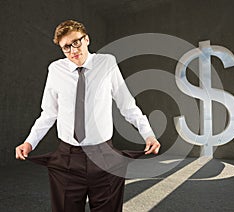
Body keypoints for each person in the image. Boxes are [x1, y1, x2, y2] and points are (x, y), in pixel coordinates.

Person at [15, 20, 160, 212]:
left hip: (104, 157)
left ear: (87, 39)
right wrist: (29, 142)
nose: (73, 50)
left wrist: (148, 134)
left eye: (76, 42)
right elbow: (49, 113)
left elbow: (127, 105)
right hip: (68, 158)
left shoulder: (107, 63)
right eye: (66, 47)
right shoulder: (56, 70)